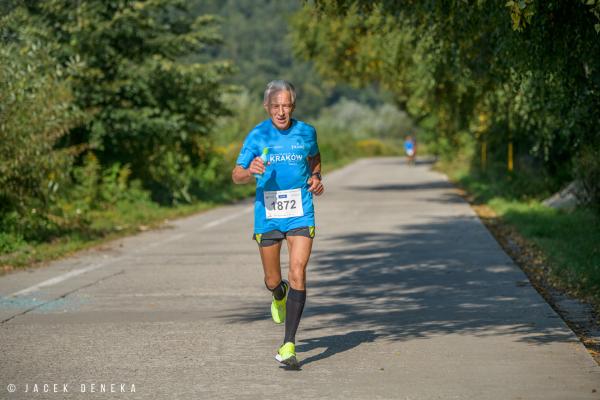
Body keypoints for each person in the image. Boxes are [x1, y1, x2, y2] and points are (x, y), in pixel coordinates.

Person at [231, 80, 324, 368]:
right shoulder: (257, 135)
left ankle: (288, 345)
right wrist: (249, 170)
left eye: (286, 106)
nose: (281, 112)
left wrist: (316, 177)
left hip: (300, 212)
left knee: (298, 272)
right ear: (266, 107)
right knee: (273, 280)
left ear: (293, 106)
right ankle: (278, 293)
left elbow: (315, 157)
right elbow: (236, 175)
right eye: (275, 106)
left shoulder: (306, 132)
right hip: (268, 214)